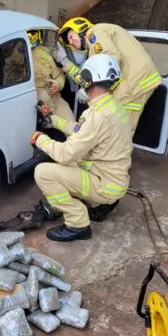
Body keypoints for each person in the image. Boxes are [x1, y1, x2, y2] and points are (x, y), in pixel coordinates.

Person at [30, 54, 133, 242]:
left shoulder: (97, 116)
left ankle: (77, 223)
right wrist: (52, 119)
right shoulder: (112, 107)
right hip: (114, 178)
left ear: (88, 80)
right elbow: (80, 130)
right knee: (76, 159)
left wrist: (40, 139)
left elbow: (65, 154)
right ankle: (99, 205)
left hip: (104, 184)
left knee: (43, 172)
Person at [54, 17, 162, 132]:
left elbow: (110, 60)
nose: (71, 42)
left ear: (80, 28)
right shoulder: (94, 48)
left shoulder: (93, 33)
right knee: (121, 128)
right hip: (138, 82)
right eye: (69, 42)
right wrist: (64, 62)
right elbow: (92, 76)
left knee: (117, 128)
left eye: (71, 36)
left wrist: (88, 89)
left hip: (133, 83)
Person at [29, 30, 75, 125]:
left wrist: (57, 85)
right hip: (33, 105)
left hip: (55, 99)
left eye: (33, 35)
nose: (31, 38)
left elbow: (59, 75)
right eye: (29, 36)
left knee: (72, 125)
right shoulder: (17, 55)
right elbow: (10, 79)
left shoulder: (45, 52)